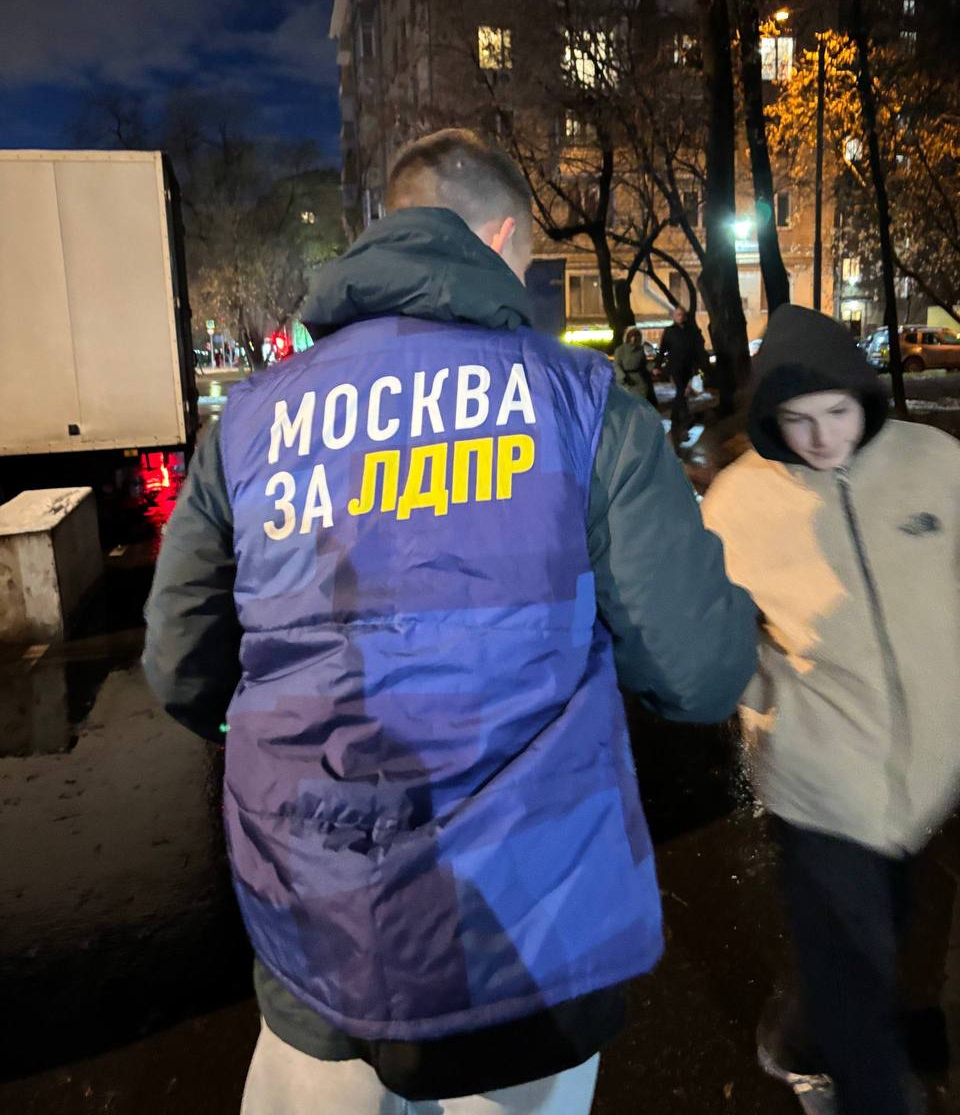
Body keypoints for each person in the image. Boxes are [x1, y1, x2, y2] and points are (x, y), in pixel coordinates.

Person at [143, 129, 756, 1115]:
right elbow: (699, 670)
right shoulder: (583, 406)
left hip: (319, 923)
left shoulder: (250, 422)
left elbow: (182, 666)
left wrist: (258, 722)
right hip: (521, 933)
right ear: (502, 235)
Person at [702, 304, 960, 1115]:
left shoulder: (934, 463)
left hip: (929, 771)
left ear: (865, 398)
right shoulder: (740, 500)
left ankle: (798, 1041)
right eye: (798, 421)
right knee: (854, 970)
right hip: (818, 777)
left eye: (837, 413)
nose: (821, 439)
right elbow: (707, 625)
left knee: (888, 935)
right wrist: (768, 700)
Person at [654, 306, 706, 443]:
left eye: (682, 314)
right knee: (681, 392)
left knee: (682, 393)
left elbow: (697, 349)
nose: (680, 317)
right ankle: (685, 420)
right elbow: (662, 350)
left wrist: (699, 366)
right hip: (675, 367)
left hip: (688, 367)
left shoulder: (691, 331)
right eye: (678, 314)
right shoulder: (670, 331)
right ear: (674, 316)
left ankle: (675, 417)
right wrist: (657, 366)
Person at [613, 326, 657, 408]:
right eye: (631, 336)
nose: (633, 338)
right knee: (628, 403)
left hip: (638, 379)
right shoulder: (620, 350)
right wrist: (623, 377)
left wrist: (652, 368)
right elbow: (617, 365)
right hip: (626, 380)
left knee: (641, 402)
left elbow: (644, 364)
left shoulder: (640, 350)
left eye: (636, 336)